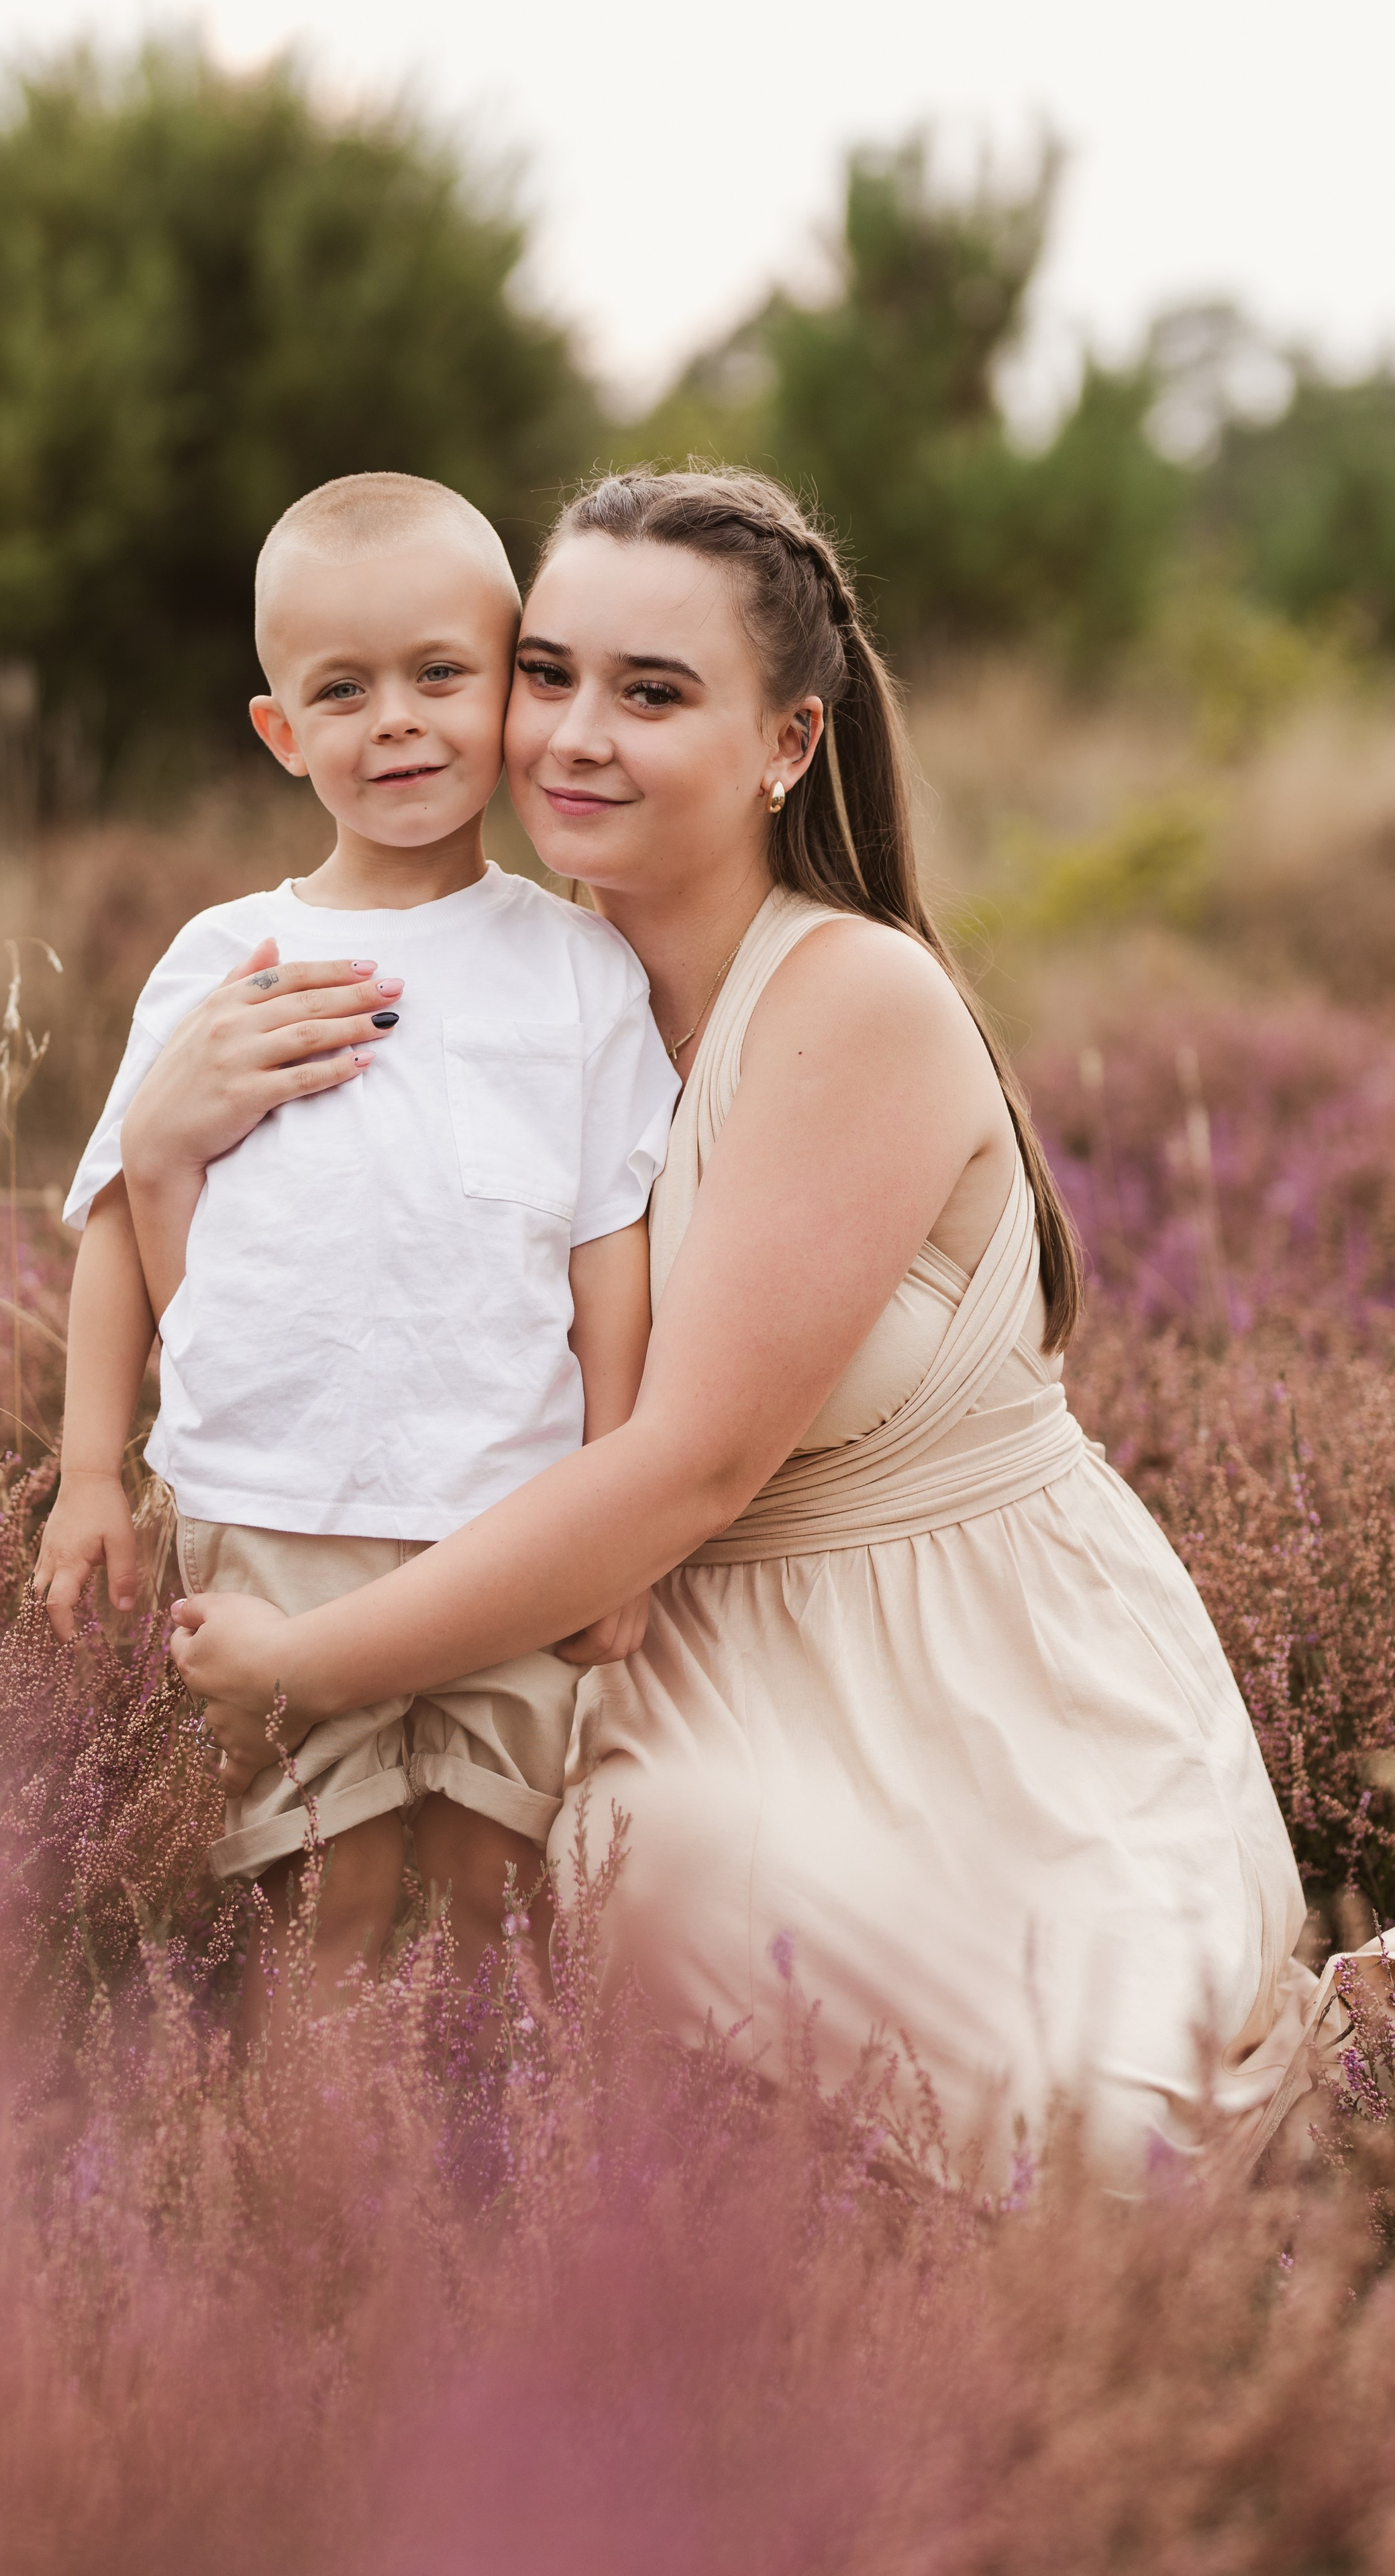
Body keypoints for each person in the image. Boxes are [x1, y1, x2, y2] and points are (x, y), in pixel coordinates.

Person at [165, 463, 1312, 2184]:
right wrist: (165, 1145)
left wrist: (310, 1663)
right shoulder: (516, 986)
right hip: (655, 1666)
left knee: (1102, 2141)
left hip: (974, 1689)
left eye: (650, 693)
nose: (572, 737)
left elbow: (685, 1468)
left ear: (785, 743)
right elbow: (318, 1329)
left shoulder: (852, 997)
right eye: (545, 674)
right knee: (627, 1888)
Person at [33, 472, 676, 2008]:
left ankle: (471, 2151)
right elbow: (121, 1210)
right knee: (323, 1898)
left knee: (490, 1895)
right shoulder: (226, 958)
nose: (395, 722)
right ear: (280, 731)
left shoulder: (580, 967)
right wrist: (86, 1474)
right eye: (342, 691)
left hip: (508, 1523)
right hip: (275, 1505)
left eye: (439, 675)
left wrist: (618, 1520)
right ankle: (303, 2150)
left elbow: (609, 1258)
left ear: (511, 688)